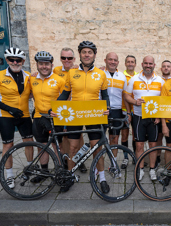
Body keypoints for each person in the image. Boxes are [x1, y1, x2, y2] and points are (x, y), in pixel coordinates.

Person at [50, 41, 110, 193]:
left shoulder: (101, 74)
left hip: (93, 114)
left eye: (90, 52)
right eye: (84, 52)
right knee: (72, 147)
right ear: (80, 55)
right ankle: (69, 176)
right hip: (75, 113)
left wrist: (107, 108)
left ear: (94, 55)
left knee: (97, 147)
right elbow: (64, 94)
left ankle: (102, 177)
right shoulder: (72, 73)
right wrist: (54, 108)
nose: (87, 55)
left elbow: (105, 95)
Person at [0, 47, 34, 188]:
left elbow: (33, 92)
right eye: (11, 59)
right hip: (5, 115)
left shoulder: (29, 76)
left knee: (29, 141)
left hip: (23, 114)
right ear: (7, 60)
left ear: (23, 61)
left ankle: (30, 168)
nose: (15, 62)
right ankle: (10, 175)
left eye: (18, 60)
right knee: (8, 145)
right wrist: (9, 109)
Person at [124, 55, 165, 181]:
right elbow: (126, 95)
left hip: (154, 119)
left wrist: (159, 115)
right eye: (146, 63)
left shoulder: (160, 80)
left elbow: (164, 101)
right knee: (139, 145)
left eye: (150, 63)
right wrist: (135, 102)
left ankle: (152, 169)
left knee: (153, 145)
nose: (148, 65)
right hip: (138, 117)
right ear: (142, 64)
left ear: (154, 65)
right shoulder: (134, 79)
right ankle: (140, 169)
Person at [29, 51, 66, 184]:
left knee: (57, 146)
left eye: (47, 64)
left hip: (54, 117)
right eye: (41, 64)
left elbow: (67, 99)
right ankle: (44, 172)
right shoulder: (31, 79)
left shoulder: (59, 80)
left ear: (51, 65)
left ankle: (59, 171)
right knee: (41, 145)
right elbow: (27, 95)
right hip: (38, 117)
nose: (44, 66)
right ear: (37, 65)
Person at [53, 47, 87, 173]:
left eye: (69, 58)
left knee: (79, 136)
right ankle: (69, 161)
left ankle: (80, 160)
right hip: (62, 108)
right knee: (66, 136)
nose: (66, 60)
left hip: (76, 107)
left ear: (74, 59)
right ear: (60, 58)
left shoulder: (79, 69)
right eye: (63, 58)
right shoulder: (56, 70)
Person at [103, 52, 128, 161]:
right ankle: (98, 167)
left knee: (114, 139)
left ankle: (113, 162)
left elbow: (125, 95)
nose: (112, 62)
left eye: (115, 60)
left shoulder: (122, 76)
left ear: (118, 62)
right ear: (105, 60)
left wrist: (127, 112)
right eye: (110, 59)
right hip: (102, 110)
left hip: (117, 110)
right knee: (99, 138)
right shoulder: (100, 74)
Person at [121, 55, 138, 169]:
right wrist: (128, 112)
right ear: (125, 63)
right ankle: (125, 157)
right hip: (124, 110)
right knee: (124, 135)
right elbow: (124, 95)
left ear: (135, 64)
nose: (130, 63)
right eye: (128, 62)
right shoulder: (121, 76)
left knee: (136, 136)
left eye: (132, 62)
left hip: (136, 111)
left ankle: (136, 157)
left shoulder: (138, 76)